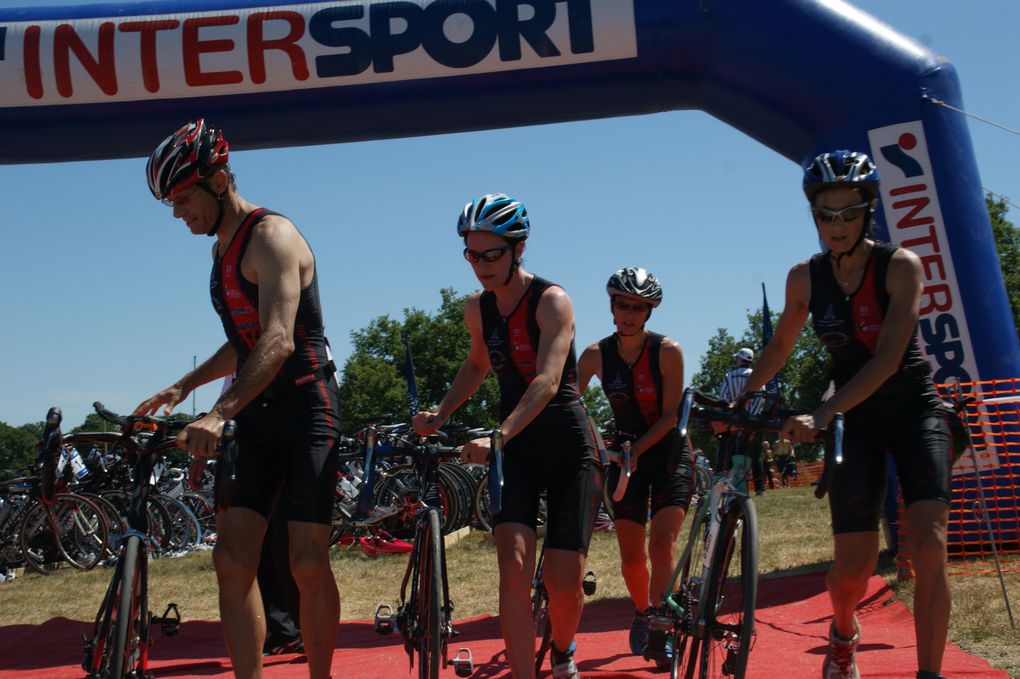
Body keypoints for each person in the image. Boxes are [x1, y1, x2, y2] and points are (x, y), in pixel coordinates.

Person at [135, 120, 341, 679]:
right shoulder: (220, 251)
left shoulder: (272, 236)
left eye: (181, 197)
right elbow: (242, 341)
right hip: (258, 415)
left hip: (307, 408)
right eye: (170, 204)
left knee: (306, 563)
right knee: (230, 560)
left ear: (219, 179)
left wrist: (218, 412)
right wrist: (185, 385)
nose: (178, 212)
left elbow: (277, 336)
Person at [740, 150, 951, 679]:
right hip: (855, 423)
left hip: (913, 408)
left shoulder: (900, 266)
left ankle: (930, 673)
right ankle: (842, 633)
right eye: (824, 215)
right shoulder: (804, 278)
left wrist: (822, 410)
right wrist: (742, 399)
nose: (835, 226)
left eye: (848, 212)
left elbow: (886, 359)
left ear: (868, 211)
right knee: (851, 572)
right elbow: (780, 345)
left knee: (929, 548)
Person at [412, 194, 599, 679]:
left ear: (519, 248)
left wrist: (497, 435)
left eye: (491, 254)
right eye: (472, 255)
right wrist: (441, 412)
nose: (480, 266)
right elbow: (477, 365)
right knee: (513, 566)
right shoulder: (478, 308)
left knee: (563, 582)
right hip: (514, 449)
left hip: (567, 446)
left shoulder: (552, 301)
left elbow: (548, 380)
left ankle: (562, 649)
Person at [575, 267, 691, 667]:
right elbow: (569, 404)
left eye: (638, 307)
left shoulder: (668, 351)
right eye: (622, 304)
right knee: (630, 556)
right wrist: (589, 443)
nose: (628, 313)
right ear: (611, 305)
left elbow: (672, 415)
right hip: (624, 459)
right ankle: (643, 611)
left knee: (662, 542)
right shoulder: (594, 355)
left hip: (668, 453)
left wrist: (638, 449)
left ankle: (662, 625)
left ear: (649, 310)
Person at [716, 348, 766, 494]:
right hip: (754, 421)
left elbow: (723, 398)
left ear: (739, 359)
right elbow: (761, 399)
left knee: (731, 454)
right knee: (756, 456)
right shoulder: (758, 376)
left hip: (734, 421)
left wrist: (732, 416)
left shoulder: (729, 376)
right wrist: (753, 417)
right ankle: (760, 489)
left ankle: (731, 485)